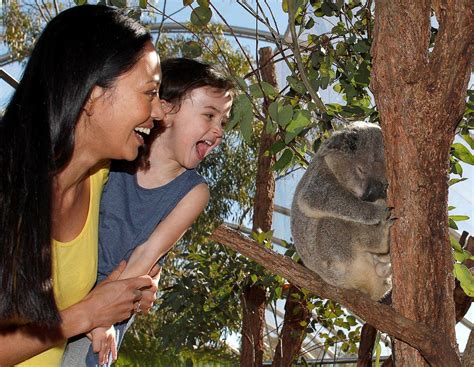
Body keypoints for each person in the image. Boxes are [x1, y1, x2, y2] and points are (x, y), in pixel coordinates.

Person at [0, 5, 164, 365]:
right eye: (149, 93)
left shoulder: (98, 176)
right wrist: (87, 314)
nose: (159, 112)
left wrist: (117, 296)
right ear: (92, 93)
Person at [62, 58, 234, 366]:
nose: (218, 130)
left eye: (223, 121)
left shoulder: (194, 192)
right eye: (209, 115)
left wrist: (102, 318)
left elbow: (145, 256)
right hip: (67, 284)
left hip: (113, 304)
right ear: (165, 109)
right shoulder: (117, 153)